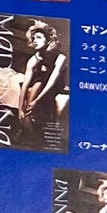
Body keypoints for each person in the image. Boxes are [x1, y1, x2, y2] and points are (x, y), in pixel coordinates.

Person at [11, 21, 69, 151]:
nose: (34, 41)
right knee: (36, 85)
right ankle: (26, 125)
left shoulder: (60, 57)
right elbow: (25, 85)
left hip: (55, 86)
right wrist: (20, 109)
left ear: (48, 40)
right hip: (39, 85)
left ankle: (25, 131)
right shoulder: (34, 59)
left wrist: (36, 101)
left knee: (39, 85)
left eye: (38, 37)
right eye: (33, 38)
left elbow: (52, 81)